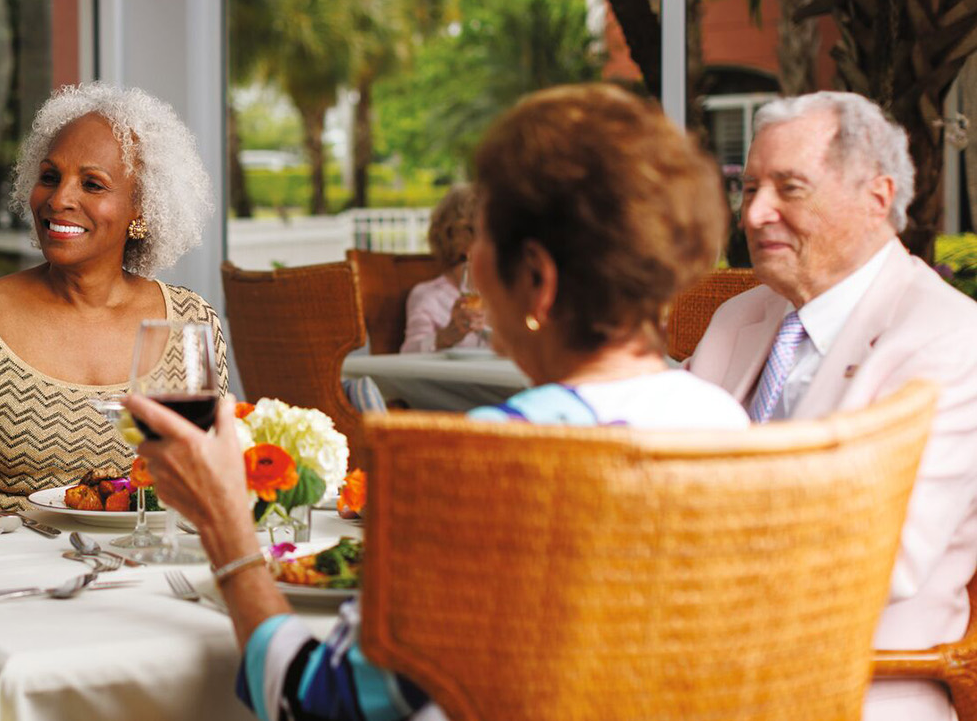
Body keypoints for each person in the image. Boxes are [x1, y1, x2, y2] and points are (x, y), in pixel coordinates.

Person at [133, 84, 748, 721]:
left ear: (537, 279)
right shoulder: (728, 424)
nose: (471, 263)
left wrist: (226, 528)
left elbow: (321, 704)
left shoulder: (486, 459)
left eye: (484, 240)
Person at [687, 91, 977, 721]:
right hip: (698, 673)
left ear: (877, 198)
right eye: (749, 188)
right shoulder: (739, 315)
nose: (756, 213)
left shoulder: (949, 338)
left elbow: (882, 558)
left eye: (789, 188)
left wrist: (683, 541)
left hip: (853, 687)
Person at [0, 82, 228, 511]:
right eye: (50, 177)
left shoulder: (190, 323)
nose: (60, 199)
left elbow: (212, 486)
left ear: (141, 208)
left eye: (93, 184)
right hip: (2, 568)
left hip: (145, 565)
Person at [400, 183, 487, 353]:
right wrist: (445, 337)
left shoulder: (511, 296)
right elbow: (408, 354)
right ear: (457, 237)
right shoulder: (430, 297)